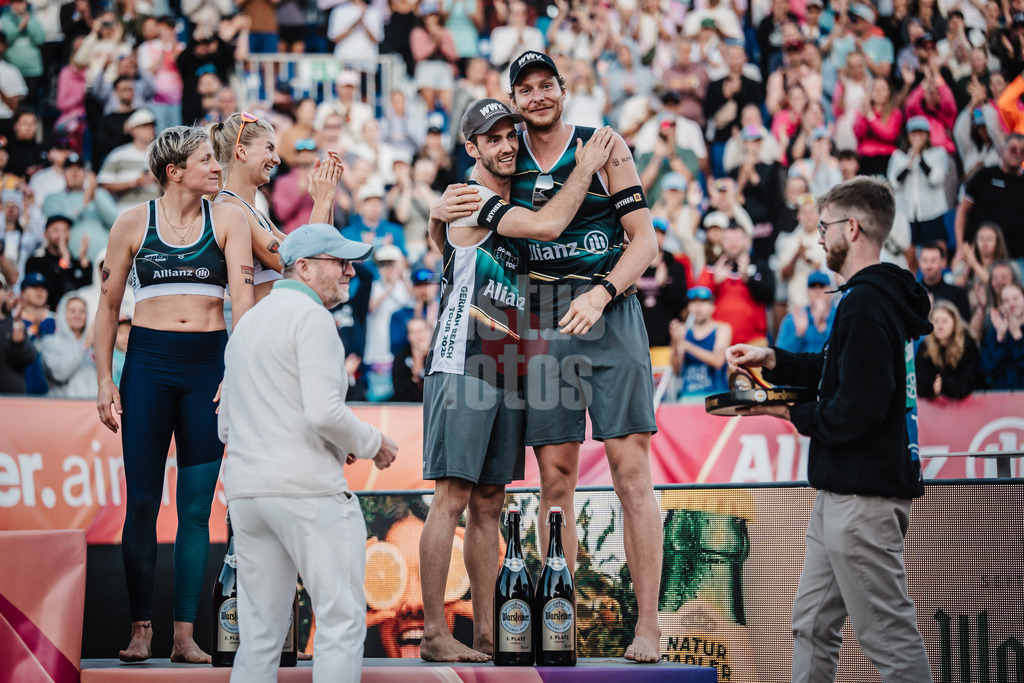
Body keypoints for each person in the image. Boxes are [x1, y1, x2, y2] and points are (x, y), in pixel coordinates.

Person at [421, 96, 615, 662]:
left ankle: (485, 634)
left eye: (512, 135)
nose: (507, 145)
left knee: (488, 502)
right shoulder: (472, 197)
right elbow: (552, 225)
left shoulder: (502, 198)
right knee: (451, 498)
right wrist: (587, 163)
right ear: (472, 148)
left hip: (504, 366)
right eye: (494, 138)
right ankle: (435, 632)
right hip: (462, 361)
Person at [725, 176, 934, 683]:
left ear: (853, 228)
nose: (818, 237)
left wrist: (780, 412)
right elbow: (836, 372)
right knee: (812, 625)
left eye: (824, 226)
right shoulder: (870, 297)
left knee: (888, 636)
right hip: (842, 493)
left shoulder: (867, 303)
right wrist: (774, 359)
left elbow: (854, 410)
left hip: (862, 499)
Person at [500, 51, 664, 661]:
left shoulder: (603, 144)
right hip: (543, 316)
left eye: (547, 86)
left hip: (608, 308)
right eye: (527, 89)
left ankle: (647, 624)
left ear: (564, 90)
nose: (539, 96)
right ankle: (557, 621)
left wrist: (602, 291)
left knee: (631, 473)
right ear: (515, 99)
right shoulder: (506, 152)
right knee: (555, 480)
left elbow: (644, 238)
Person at [94, 125, 254, 663]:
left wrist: (237, 370)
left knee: (196, 510)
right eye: (208, 159)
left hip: (208, 368)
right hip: (147, 368)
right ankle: (141, 627)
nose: (217, 167)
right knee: (140, 504)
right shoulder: (132, 223)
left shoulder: (228, 218)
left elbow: (244, 302)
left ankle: (184, 634)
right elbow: (106, 306)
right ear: (174, 171)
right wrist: (103, 379)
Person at [218, 223, 398, 683]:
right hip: (306, 492)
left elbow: (224, 425)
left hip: (248, 494)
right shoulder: (313, 318)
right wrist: (374, 444)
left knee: (259, 635)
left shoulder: (247, 324)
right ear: (303, 267)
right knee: (340, 622)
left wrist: (333, 438)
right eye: (339, 261)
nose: (350, 271)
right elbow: (324, 413)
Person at [211, 111, 344, 301]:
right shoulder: (230, 206)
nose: (277, 159)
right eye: (269, 148)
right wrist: (322, 200)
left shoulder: (253, 212)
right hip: (262, 325)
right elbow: (294, 262)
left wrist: (326, 197)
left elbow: (312, 252)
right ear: (242, 151)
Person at [669, 285, 731, 397]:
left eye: (703, 302)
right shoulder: (683, 332)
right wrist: (675, 342)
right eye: (693, 302)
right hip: (687, 396)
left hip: (716, 395)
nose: (698, 307)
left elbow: (718, 361)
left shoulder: (722, 329)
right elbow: (676, 369)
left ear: (713, 307)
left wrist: (688, 346)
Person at [24, 214, 92, 312]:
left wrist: (84, 261)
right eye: (56, 231)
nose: (61, 236)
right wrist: (64, 261)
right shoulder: (35, 262)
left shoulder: (77, 263)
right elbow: (52, 290)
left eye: (65, 231)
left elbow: (86, 290)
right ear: (45, 234)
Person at [916, 300, 983, 398]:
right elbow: (920, 382)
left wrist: (944, 385)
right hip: (934, 409)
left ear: (954, 323)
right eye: (936, 321)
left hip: (968, 407)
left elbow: (970, 382)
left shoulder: (967, 344)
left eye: (944, 321)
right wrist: (932, 387)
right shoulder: (925, 346)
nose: (940, 326)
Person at [39, 290, 97, 398]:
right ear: (62, 313)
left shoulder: (93, 344)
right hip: (63, 409)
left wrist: (99, 347)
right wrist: (85, 345)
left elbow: (112, 371)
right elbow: (59, 374)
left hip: (92, 408)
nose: (77, 315)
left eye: (82, 311)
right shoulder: (51, 342)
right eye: (72, 311)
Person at [980, 282, 1024, 389]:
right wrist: (1000, 338)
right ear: (1001, 306)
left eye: (1015, 298)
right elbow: (986, 367)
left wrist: (1018, 337)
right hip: (1002, 396)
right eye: (1006, 301)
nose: (1011, 303)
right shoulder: (995, 332)